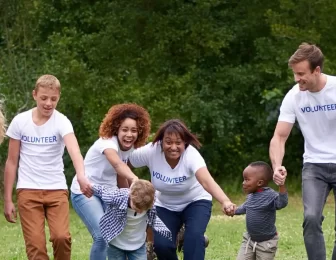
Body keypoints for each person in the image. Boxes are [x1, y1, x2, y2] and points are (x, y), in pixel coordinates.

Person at [269, 43, 336, 260]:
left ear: (316, 70)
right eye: (294, 73)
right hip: (314, 165)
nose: (296, 79)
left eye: (301, 74)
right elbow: (279, 136)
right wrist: (277, 165)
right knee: (310, 218)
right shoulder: (294, 96)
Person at [3, 74, 92, 260]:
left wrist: (82, 175)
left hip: (56, 189)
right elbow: (12, 161)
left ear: (59, 97)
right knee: (36, 246)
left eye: (53, 99)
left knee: (61, 237)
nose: (48, 103)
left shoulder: (62, 121)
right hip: (28, 190)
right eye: (44, 98)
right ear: (34, 95)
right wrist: (8, 199)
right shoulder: (20, 121)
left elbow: (74, 151)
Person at [129, 119, 236, 260]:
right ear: (161, 142)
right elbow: (125, 161)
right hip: (165, 205)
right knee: (162, 246)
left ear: (185, 143)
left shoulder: (191, 156)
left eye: (178, 143)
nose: (173, 147)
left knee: (194, 239)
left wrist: (225, 201)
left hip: (195, 201)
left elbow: (206, 181)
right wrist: (128, 184)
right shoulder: (152, 151)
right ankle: (180, 234)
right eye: (168, 142)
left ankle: (188, 234)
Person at [70, 103, 151, 260]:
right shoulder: (107, 142)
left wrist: (130, 198)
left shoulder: (130, 148)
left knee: (118, 233)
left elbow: (120, 175)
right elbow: (117, 164)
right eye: (125, 130)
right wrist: (135, 179)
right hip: (86, 191)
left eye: (134, 130)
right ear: (116, 129)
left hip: (109, 193)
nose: (129, 134)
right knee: (102, 235)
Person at [91, 179, 172, 260]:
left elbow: (154, 220)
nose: (140, 211)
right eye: (136, 207)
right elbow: (103, 191)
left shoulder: (150, 205)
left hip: (138, 245)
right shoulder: (119, 197)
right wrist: (89, 185)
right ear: (130, 195)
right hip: (115, 243)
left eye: (143, 209)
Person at [233, 161, 288, 260]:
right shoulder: (251, 195)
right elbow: (246, 207)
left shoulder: (270, 195)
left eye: (246, 180)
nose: (243, 183)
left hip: (266, 243)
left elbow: (282, 203)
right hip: (249, 240)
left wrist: (281, 185)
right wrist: (233, 211)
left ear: (259, 183)